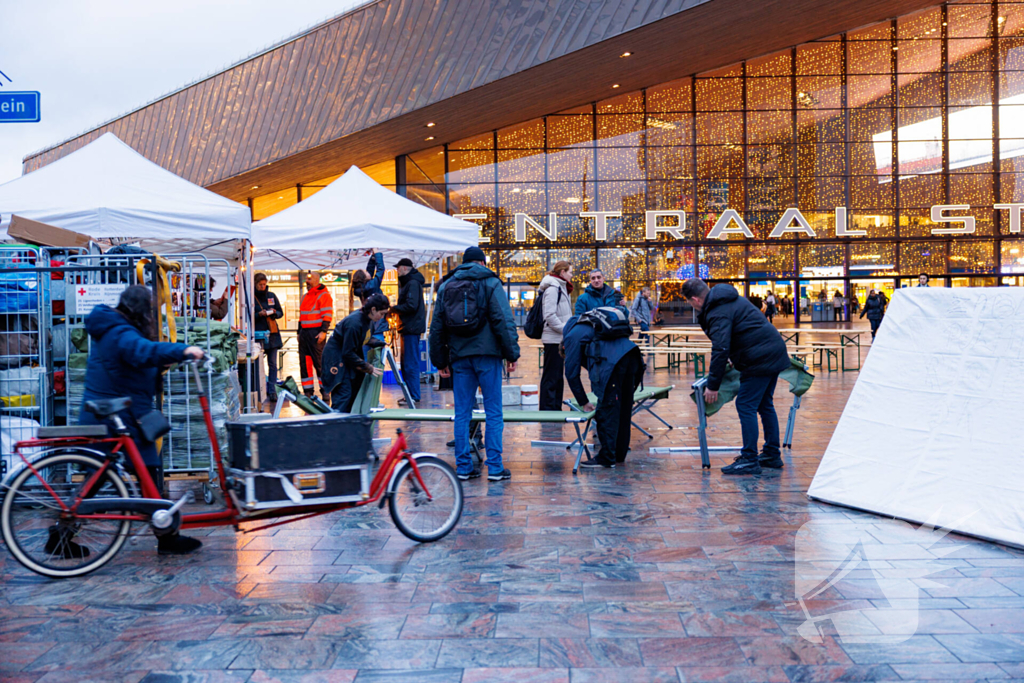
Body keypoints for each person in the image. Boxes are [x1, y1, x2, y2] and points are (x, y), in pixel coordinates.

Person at [76, 286, 205, 556]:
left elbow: (131, 364)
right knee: (109, 477)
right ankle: (60, 532)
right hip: (117, 418)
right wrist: (183, 350)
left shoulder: (114, 326)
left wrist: (160, 364)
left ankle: (167, 537)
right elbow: (142, 351)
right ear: (140, 310)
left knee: (142, 473)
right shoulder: (120, 331)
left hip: (124, 414)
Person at [681, 278, 791, 476]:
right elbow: (741, 331)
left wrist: (713, 385)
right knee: (764, 404)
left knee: (745, 404)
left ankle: (749, 459)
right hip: (772, 351)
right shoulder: (728, 299)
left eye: (690, 303)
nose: (692, 306)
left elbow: (720, 347)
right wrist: (735, 357)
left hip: (760, 358)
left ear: (695, 300)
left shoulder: (717, 311)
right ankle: (771, 454)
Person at [429, 246, 520, 482]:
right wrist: (512, 353)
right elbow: (503, 319)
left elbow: (436, 326)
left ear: (463, 262)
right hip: (488, 356)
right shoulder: (490, 282)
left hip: (459, 358)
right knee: (493, 412)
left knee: (462, 413)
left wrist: (439, 360)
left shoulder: (447, 286)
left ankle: (463, 467)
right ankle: (496, 468)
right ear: (481, 262)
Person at [562, 311, 644, 469]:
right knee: (623, 410)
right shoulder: (591, 326)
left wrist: (584, 402)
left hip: (614, 365)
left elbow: (571, 374)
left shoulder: (571, 338)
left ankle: (607, 457)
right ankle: (619, 455)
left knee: (607, 410)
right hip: (632, 357)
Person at [322, 293, 389, 412]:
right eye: (382, 313)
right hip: (336, 360)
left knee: (354, 390)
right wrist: (368, 367)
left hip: (345, 357)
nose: (382, 317)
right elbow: (348, 352)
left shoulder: (369, 320)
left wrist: (378, 343)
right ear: (373, 309)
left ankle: (349, 425)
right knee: (344, 394)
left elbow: (363, 338)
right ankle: (336, 425)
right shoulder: (354, 323)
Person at [537, 261, 574, 411]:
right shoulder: (553, 288)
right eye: (570, 272)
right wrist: (566, 329)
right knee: (551, 376)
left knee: (557, 376)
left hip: (558, 338)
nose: (572, 275)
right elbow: (550, 316)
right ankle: (548, 409)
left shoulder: (561, 287)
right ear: (563, 272)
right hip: (553, 339)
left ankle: (555, 408)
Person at [391, 258, 426, 405]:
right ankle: (410, 394)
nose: (396, 271)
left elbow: (411, 305)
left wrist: (394, 308)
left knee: (410, 363)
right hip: (409, 327)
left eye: (398, 268)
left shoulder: (411, 283)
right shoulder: (411, 283)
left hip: (411, 328)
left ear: (404, 268)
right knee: (407, 363)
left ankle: (413, 395)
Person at [298, 271, 333, 399]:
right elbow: (301, 317)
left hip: (316, 333)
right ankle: (308, 391)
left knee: (319, 363)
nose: (307, 282)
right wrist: (299, 332)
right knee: (304, 363)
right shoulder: (305, 296)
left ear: (317, 280)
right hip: (305, 333)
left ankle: (325, 390)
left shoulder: (324, 295)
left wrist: (323, 331)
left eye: (310, 279)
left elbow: (327, 316)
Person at [254, 273, 283, 403]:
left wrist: (275, 313)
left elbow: (281, 312)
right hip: (258, 335)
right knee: (258, 364)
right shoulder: (251, 297)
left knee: (273, 364)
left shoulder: (271, 295)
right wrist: (258, 314)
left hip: (272, 335)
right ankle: (259, 390)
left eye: (264, 284)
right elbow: (248, 316)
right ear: (255, 284)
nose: (263, 286)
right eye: (260, 284)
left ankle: (272, 391)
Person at [351, 250, 388, 340]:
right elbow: (380, 270)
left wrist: (373, 257)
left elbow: (370, 271)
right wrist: (378, 253)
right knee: (376, 352)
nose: (368, 272)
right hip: (377, 326)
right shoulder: (372, 286)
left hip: (367, 326)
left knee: (366, 351)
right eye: (365, 272)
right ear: (364, 278)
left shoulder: (362, 288)